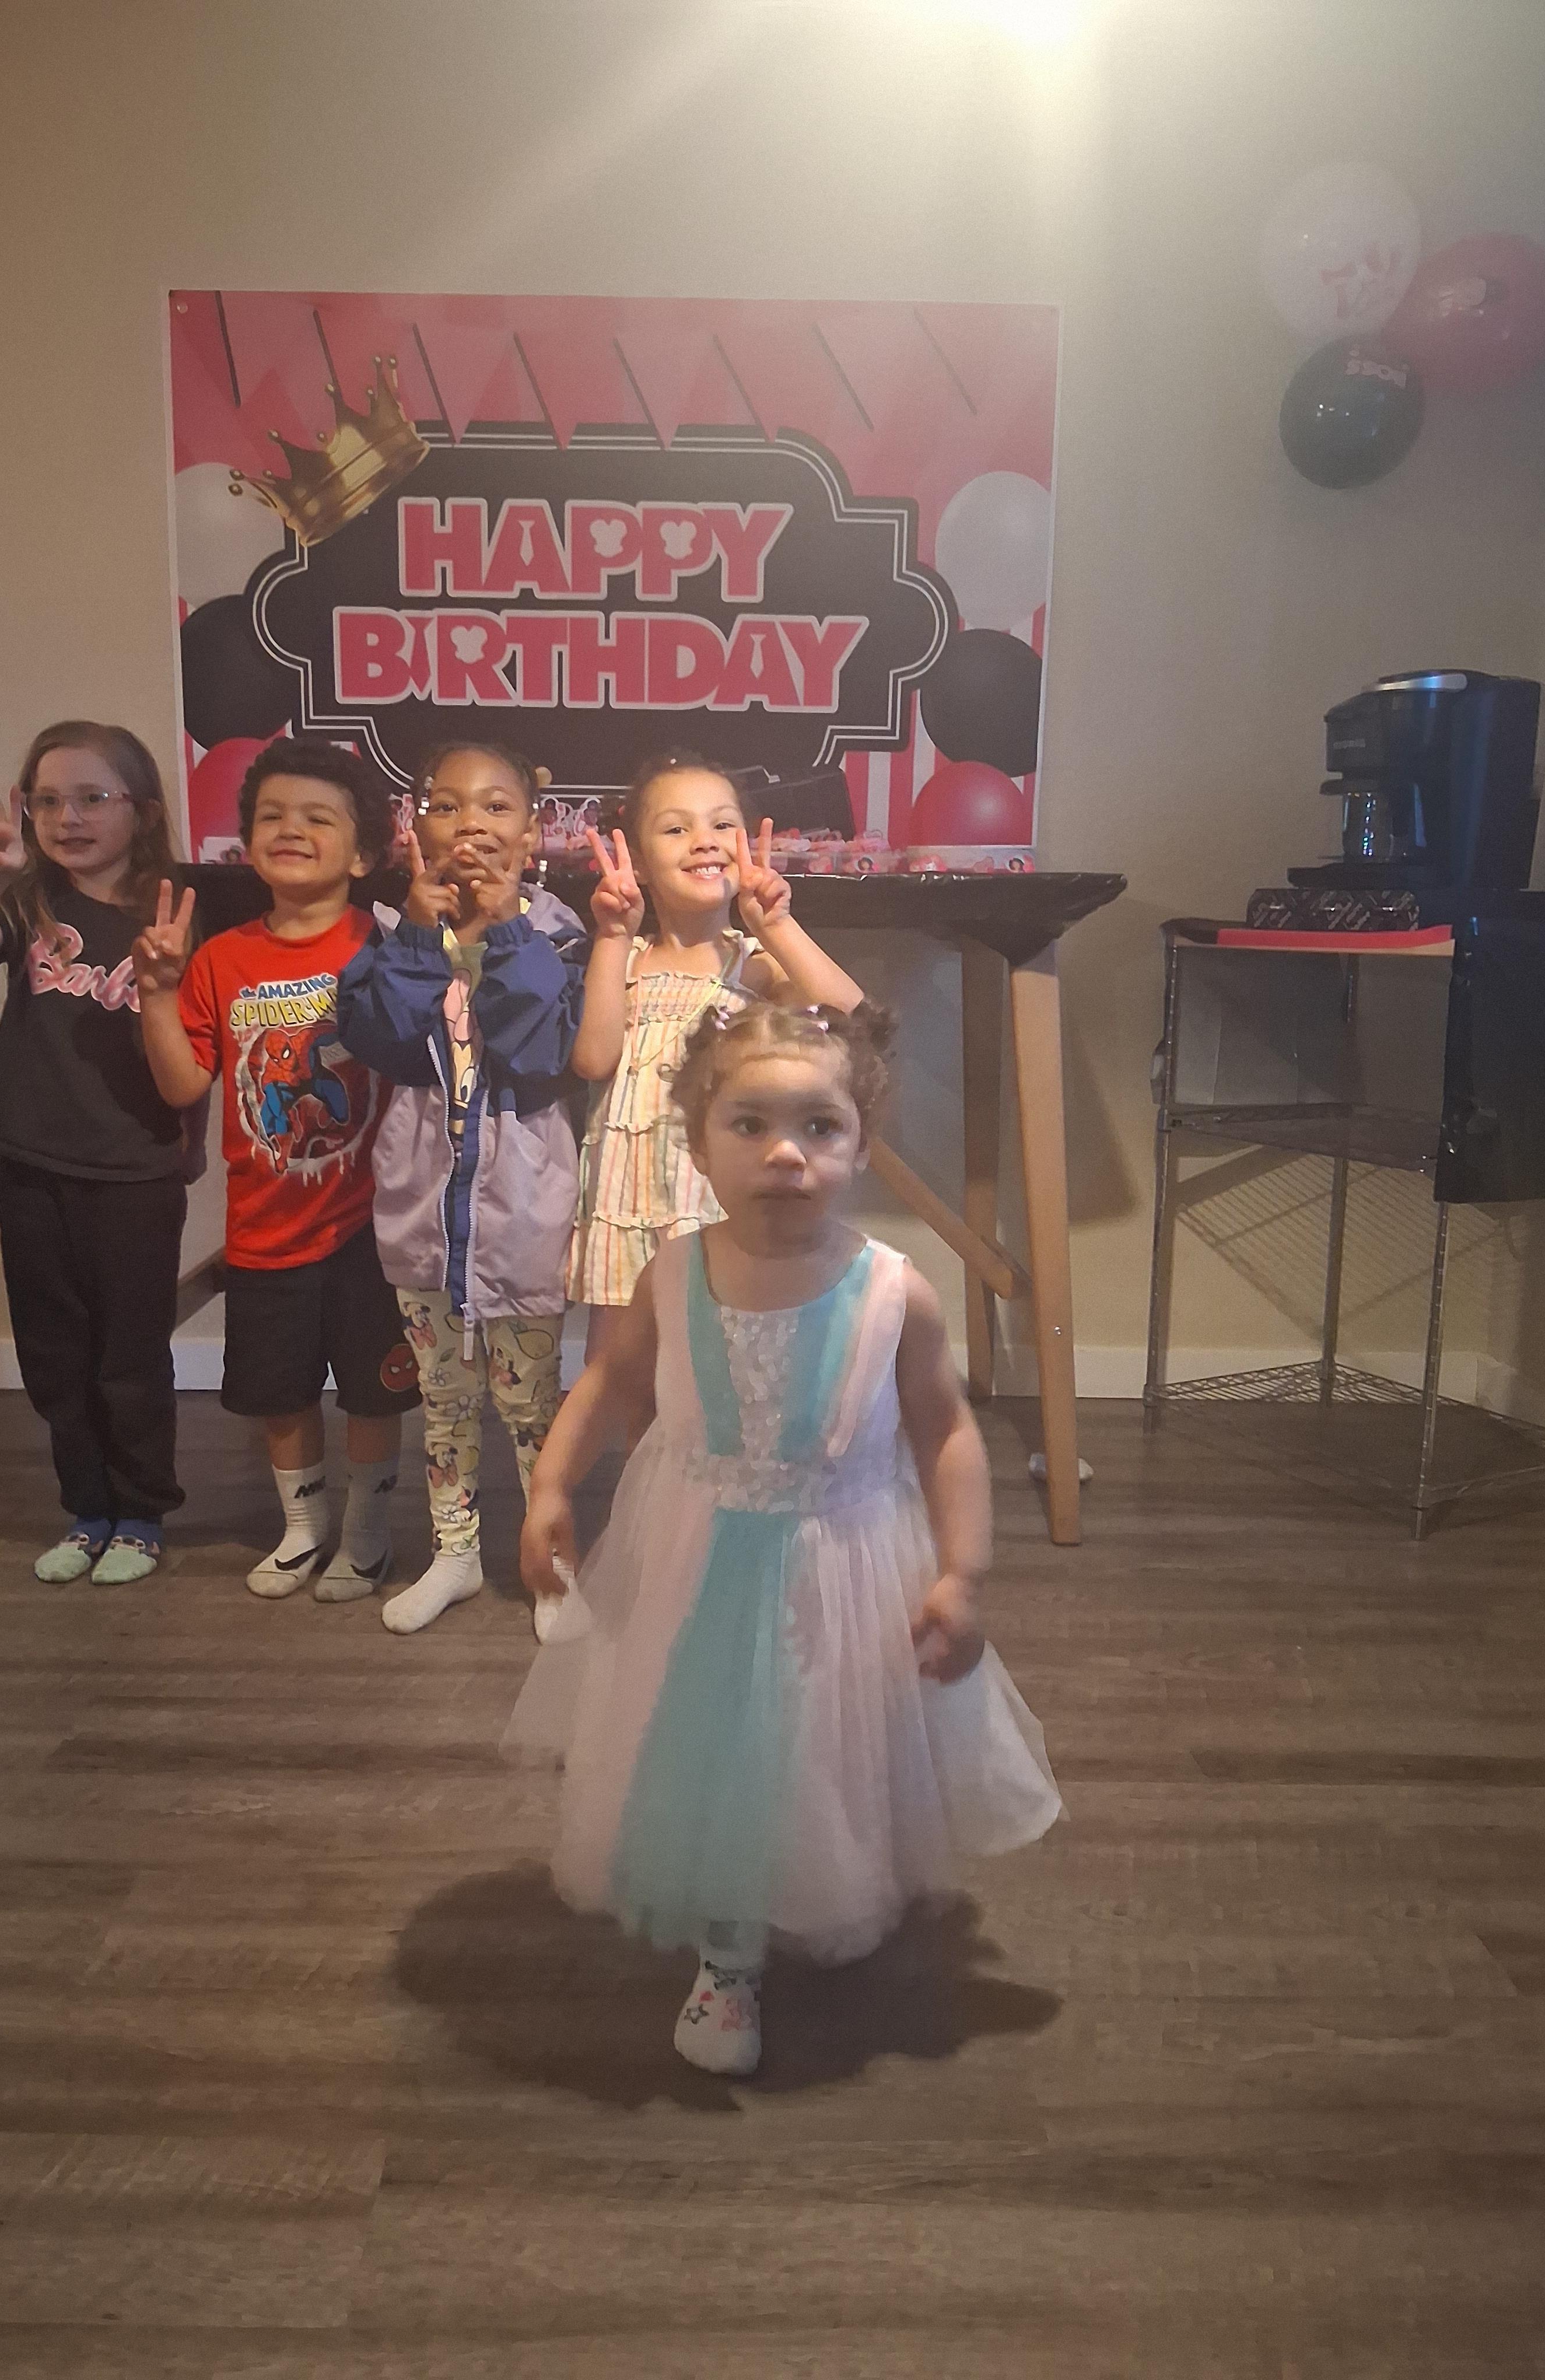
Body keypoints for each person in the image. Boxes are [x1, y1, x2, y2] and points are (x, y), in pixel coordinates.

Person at [509, 999, 1061, 2077]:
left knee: (818, 1748)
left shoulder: (895, 1294)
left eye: (820, 1128)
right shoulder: (671, 1273)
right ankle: (729, 1954)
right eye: (751, 1124)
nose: (785, 1155)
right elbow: (609, 1384)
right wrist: (549, 1488)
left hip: (840, 1563)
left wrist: (964, 1572)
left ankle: (819, 1880)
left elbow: (945, 1432)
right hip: (694, 1557)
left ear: (862, 1145)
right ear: (699, 1140)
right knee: (710, 1745)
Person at [134, 737, 419, 1600]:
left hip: (373, 1229)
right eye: (271, 816)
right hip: (264, 1232)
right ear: (245, 842)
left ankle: (367, 1532)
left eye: (318, 818)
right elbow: (184, 1080)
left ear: (363, 853)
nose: (290, 829)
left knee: (374, 1393)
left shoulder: (385, 944)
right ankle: (304, 1528)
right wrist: (155, 990)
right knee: (278, 1393)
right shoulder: (221, 959)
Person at [0, 722, 191, 1586]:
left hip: (135, 1168)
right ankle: (88, 1510)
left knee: (129, 1354)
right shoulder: (26, 901)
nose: (66, 817)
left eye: (90, 798)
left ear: (142, 810)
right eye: (47, 799)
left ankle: (142, 1513)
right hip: (31, 1160)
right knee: (55, 1351)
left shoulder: (178, 903)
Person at [337, 742, 587, 1641]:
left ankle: (551, 1562)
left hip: (523, 1214)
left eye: (496, 808)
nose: (471, 824)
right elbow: (380, 1037)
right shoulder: (398, 934)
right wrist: (416, 931)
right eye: (447, 805)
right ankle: (454, 1553)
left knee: (530, 1403)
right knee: (443, 1398)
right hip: (421, 1215)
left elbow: (541, 1051)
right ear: (418, 827)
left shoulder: (558, 934)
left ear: (533, 832)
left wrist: (505, 929)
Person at [566, 750, 864, 1362]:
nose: (704, 841)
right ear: (640, 861)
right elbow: (594, 1060)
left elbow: (846, 1020)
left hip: (714, 1204)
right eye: (677, 829)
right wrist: (612, 937)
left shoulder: (755, 962)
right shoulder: (624, 960)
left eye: (722, 825)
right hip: (625, 1206)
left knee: (719, 1372)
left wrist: (778, 924)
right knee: (621, 1378)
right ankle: (640, 1466)